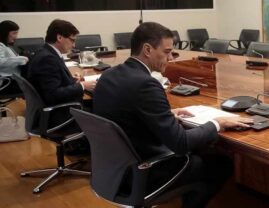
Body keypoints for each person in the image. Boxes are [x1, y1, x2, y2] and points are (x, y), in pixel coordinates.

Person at [94, 22, 253, 208]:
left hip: (114, 169)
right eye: (167, 51)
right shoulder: (146, 85)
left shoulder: (109, 75)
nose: (171, 57)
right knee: (221, 164)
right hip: (144, 171)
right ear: (147, 50)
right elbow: (180, 143)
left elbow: (124, 112)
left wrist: (164, 114)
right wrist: (217, 123)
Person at [28, 19, 96, 126]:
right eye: (72, 40)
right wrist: (82, 86)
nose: (74, 45)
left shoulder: (45, 52)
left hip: (55, 108)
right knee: (105, 109)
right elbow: (53, 94)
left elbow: (51, 83)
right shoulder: (47, 59)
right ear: (59, 37)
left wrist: (72, 80)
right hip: (60, 114)